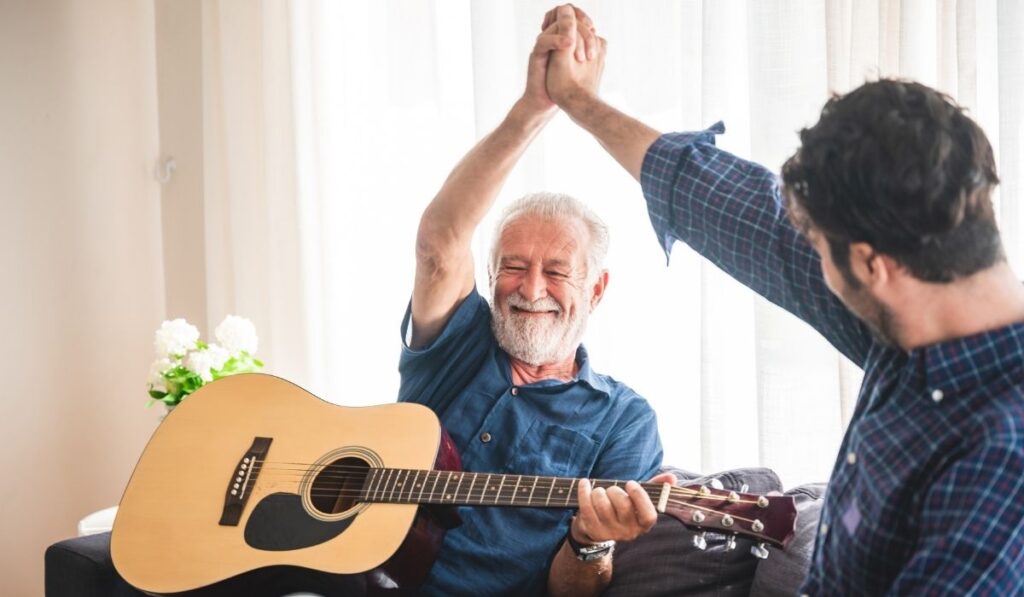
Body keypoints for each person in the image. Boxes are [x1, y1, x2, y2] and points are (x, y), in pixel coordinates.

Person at [539, 4, 1024, 594]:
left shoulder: (998, 457)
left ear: (873, 264)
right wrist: (579, 101)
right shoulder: (924, 295)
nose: (808, 260)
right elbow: (740, 210)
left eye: (818, 247)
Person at [396, 11, 674, 596]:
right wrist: (534, 107)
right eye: (514, 267)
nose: (530, 289)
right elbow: (438, 244)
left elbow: (574, 589)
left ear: (596, 289)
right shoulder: (460, 339)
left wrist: (590, 541)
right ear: (492, 273)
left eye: (556, 271)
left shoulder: (623, 420)